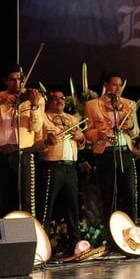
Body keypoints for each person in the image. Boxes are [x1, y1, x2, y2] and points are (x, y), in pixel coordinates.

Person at [0, 64, 45, 218]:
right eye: (12, 80)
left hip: (21, 154)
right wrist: (0, 102)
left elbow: (37, 126)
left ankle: (29, 234)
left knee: (26, 199)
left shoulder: (35, 99)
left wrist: (33, 106)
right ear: (6, 81)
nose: (17, 83)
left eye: (20, 79)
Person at [84, 72, 140, 223]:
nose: (117, 88)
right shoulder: (92, 105)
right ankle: (111, 236)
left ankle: (131, 233)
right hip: (106, 154)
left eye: (119, 85)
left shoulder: (129, 104)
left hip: (125, 153)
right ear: (106, 85)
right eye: (114, 84)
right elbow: (87, 133)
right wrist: (98, 134)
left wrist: (129, 125)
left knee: (129, 194)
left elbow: (136, 132)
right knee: (108, 196)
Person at [38, 88, 86, 255]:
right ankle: (42, 246)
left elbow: (82, 142)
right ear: (49, 101)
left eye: (62, 99)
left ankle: (76, 246)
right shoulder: (42, 117)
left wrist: (80, 138)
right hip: (52, 165)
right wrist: (46, 141)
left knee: (73, 207)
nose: (59, 101)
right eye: (55, 99)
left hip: (70, 166)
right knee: (46, 207)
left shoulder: (72, 119)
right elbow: (37, 143)